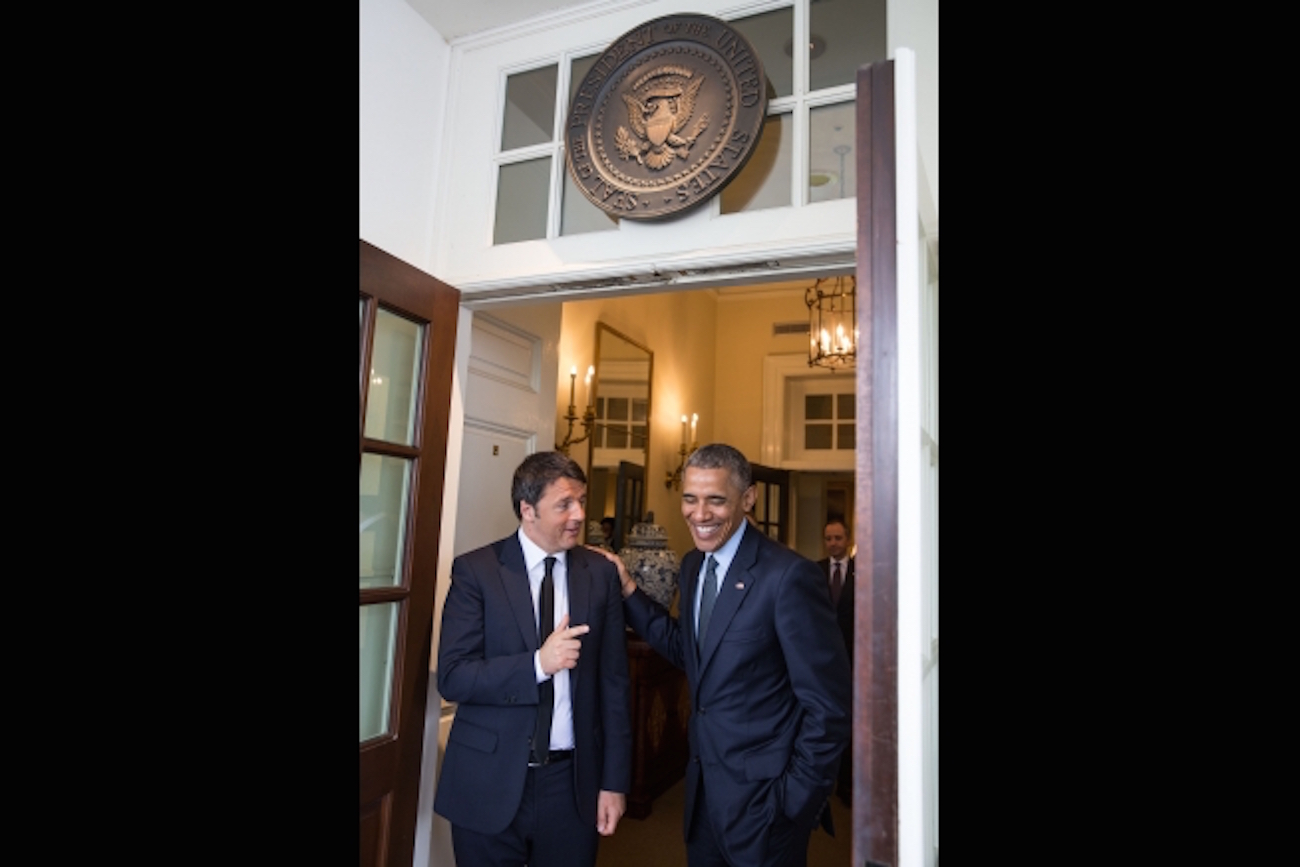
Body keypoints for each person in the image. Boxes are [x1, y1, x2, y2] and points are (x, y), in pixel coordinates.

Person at [591, 443, 850, 867]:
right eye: (690, 499)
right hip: (703, 798)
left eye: (716, 500)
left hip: (768, 807)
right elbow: (689, 651)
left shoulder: (788, 576)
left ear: (748, 499)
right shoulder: (694, 566)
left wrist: (793, 801)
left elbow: (830, 707)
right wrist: (628, 591)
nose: (699, 514)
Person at [434, 451, 632, 867]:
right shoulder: (477, 571)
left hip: (571, 784)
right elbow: (453, 677)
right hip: (487, 781)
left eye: (581, 500)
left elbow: (614, 686)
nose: (579, 514)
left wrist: (614, 783)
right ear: (528, 510)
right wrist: (538, 665)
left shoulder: (599, 574)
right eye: (564, 504)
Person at [817, 518, 856, 807]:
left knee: (850, 723)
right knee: (823, 721)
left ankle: (846, 785)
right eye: (829, 538)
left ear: (847, 539)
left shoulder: (863, 571)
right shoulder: (814, 571)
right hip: (821, 662)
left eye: (838, 538)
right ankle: (822, 783)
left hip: (854, 661)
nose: (833, 543)